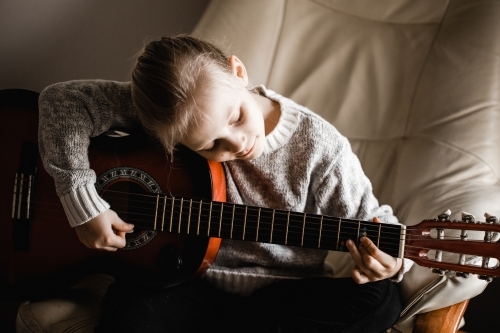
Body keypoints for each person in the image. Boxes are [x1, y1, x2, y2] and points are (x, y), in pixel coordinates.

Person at [38, 35, 412, 333]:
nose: (237, 145)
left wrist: (388, 261)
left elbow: (370, 218)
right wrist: (81, 199)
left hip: (279, 293)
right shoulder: (171, 114)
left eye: (237, 117)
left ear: (238, 72)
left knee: (382, 300)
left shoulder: (319, 144)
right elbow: (62, 101)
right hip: (177, 279)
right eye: (210, 146)